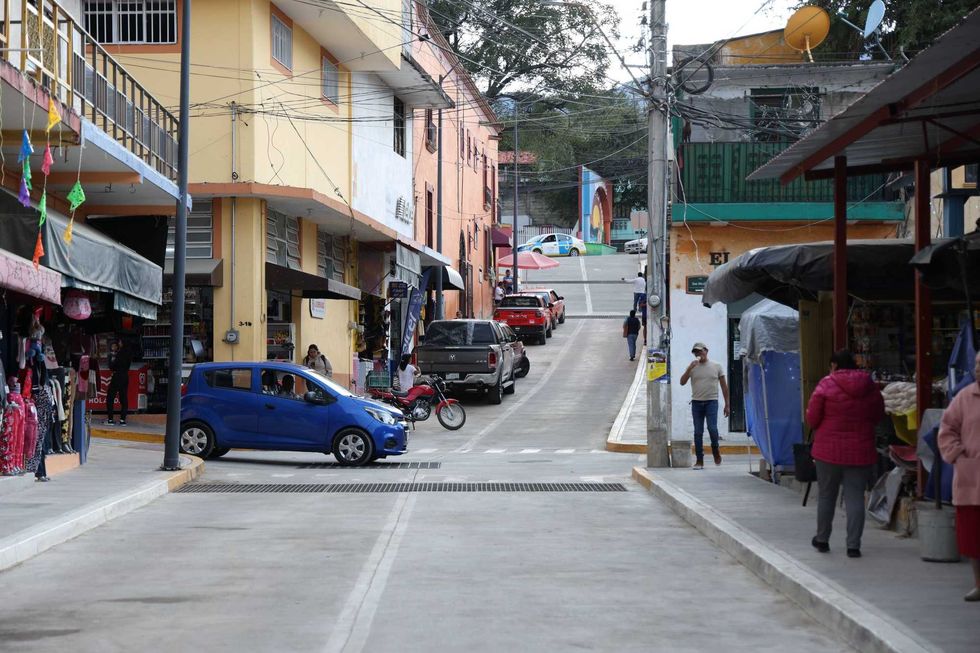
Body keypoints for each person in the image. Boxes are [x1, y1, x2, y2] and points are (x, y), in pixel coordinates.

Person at [805, 350, 884, 559]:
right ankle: (853, 546)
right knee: (855, 497)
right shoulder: (870, 386)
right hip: (860, 451)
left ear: (834, 365)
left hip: (827, 452)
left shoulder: (825, 385)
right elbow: (878, 415)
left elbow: (812, 419)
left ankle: (822, 539)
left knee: (826, 495)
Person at [938, 351, 980, 601]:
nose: (978, 370)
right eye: (975, 365)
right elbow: (947, 428)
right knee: (974, 540)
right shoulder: (964, 397)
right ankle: (978, 583)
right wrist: (957, 455)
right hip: (971, 479)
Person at [680, 343, 730, 469]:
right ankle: (699, 460)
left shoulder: (716, 366)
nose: (698, 354)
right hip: (696, 403)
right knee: (698, 432)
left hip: (711, 402)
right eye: (695, 352)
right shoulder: (692, 367)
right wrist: (689, 369)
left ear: (706, 351)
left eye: (700, 351)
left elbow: (724, 386)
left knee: (712, 429)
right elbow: (682, 382)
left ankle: (715, 449)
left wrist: (727, 404)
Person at [105, 339, 131, 426]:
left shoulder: (119, 354)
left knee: (110, 397)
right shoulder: (128, 353)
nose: (118, 343)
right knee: (123, 398)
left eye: (120, 342)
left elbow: (113, 366)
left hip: (117, 377)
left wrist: (111, 360)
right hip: (125, 376)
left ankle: (110, 420)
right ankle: (122, 420)